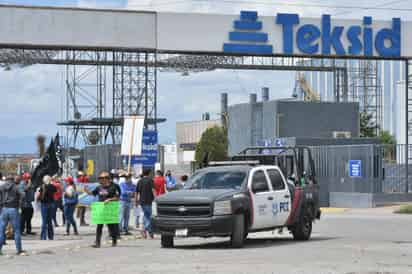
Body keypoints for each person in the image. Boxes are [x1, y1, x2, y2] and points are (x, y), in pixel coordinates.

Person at [84, 171, 120, 248]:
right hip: (101, 207)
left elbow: (117, 197)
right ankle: (97, 243)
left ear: (107, 179)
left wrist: (110, 200)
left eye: (103, 178)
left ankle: (114, 240)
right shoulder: (99, 187)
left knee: (111, 226)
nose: (101, 180)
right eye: (100, 178)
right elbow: (93, 193)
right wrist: (87, 191)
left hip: (110, 207)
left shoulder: (114, 186)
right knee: (99, 226)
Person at [0, 175, 26, 255]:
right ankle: (19, 250)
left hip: (4, 209)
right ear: (13, 180)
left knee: (1, 230)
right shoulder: (16, 187)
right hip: (14, 209)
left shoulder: (2, 186)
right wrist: (19, 202)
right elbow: (23, 194)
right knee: (16, 230)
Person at [136, 169, 156, 239]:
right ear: (149, 173)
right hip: (148, 201)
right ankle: (147, 230)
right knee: (148, 216)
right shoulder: (150, 180)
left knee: (145, 215)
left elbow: (137, 192)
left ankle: (145, 230)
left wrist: (136, 201)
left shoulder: (140, 181)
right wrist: (156, 198)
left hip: (141, 201)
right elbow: (153, 190)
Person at [37, 175, 57, 240]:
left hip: (44, 204)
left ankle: (43, 236)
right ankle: (51, 236)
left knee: (44, 221)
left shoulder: (42, 186)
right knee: (50, 221)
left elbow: (38, 195)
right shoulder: (53, 186)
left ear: (44, 180)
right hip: (51, 204)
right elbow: (55, 191)